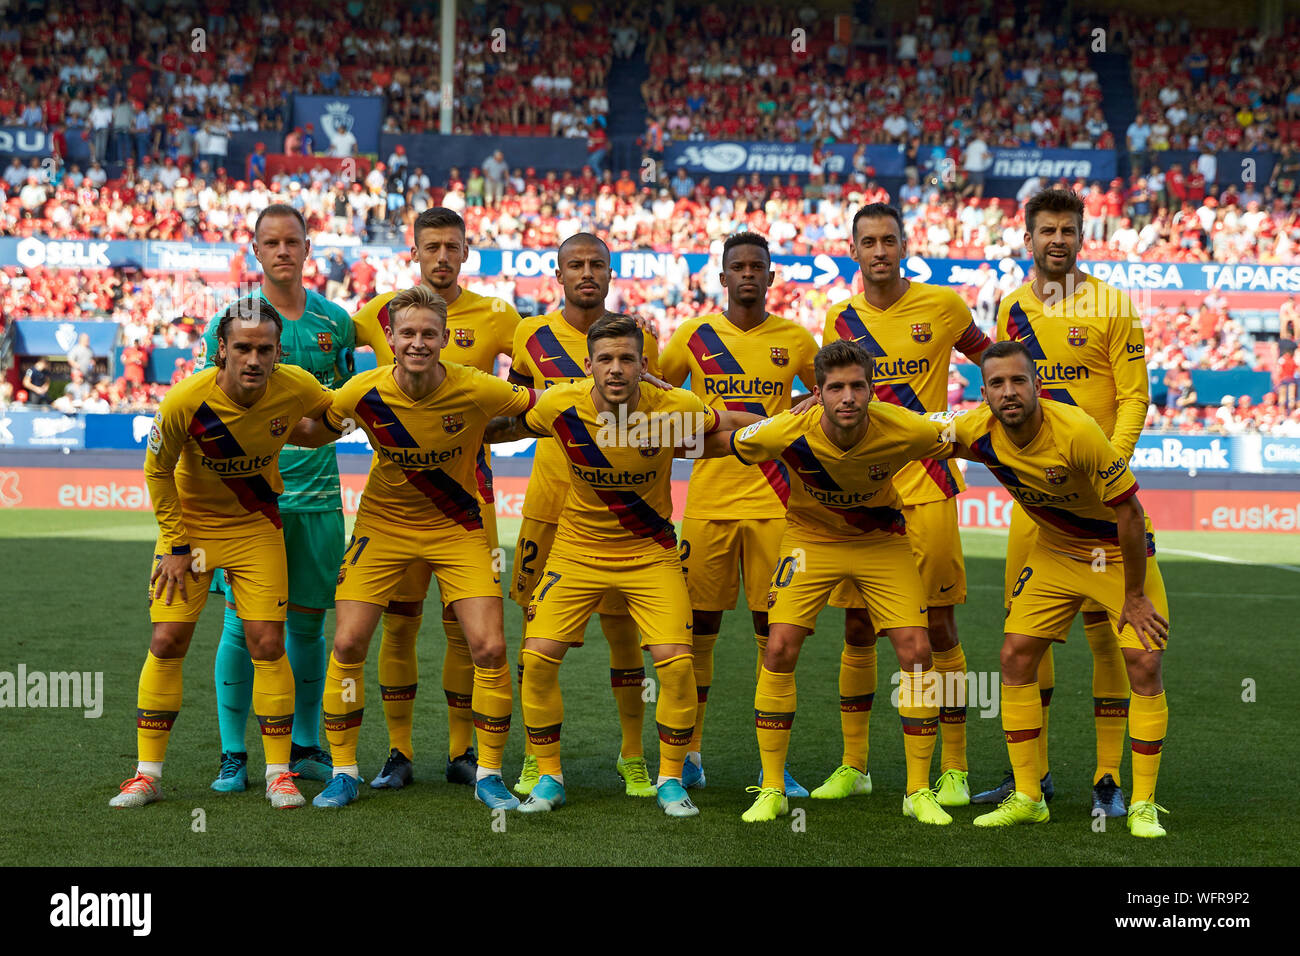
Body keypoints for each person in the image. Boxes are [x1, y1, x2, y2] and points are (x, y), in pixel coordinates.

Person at [488, 314, 757, 817]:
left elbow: (734, 426)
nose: (616, 369)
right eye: (605, 360)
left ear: (644, 366)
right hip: (575, 551)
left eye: (627, 359)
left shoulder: (675, 407)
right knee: (539, 659)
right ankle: (549, 777)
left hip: (649, 554)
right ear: (587, 365)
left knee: (677, 665)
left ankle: (670, 779)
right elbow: (502, 425)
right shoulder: (559, 403)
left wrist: (794, 424)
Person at [290, 285, 536, 810]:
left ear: (445, 338)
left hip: (458, 528)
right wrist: (264, 417)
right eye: (408, 333)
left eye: (429, 333)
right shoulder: (361, 390)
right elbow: (316, 431)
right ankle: (345, 771)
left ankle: (488, 774)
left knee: (489, 647)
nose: (418, 342)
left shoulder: (478, 387)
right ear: (391, 338)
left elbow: (535, 411)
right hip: (383, 527)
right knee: (349, 644)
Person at [706, 340, 955, 825]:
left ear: (871, 391)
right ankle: (772, 788)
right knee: (778, 647)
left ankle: (918, 789)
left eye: (857, 387)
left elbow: (971, 436)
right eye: (835, 387)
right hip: (807, 541)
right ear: (816, 393)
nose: (847, 397)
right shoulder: (785, 430)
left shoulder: (903, 427)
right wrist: (644, 427)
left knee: (918, 654)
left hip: (881, 541)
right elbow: (721, 440)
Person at [108, 296, 333, 809]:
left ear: (278, 353)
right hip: (190, 532)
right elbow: (156, 470)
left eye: (265, 349)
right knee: (167, 640)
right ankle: (146, 775)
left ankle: (279, 774)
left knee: (267, 643)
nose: (254, 359)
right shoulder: (184, 400)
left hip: (256, 527)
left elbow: (330, 416)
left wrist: (328, 428)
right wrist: (177, 544)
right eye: (243, 348)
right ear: (221, 352)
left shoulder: (296, 385)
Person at [976, 188, 1152, 819]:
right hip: (1036, 508)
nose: (1057, 239)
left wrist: (1115, 458)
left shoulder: (1113, 305)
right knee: (1026, 638)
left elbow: (1134, 395)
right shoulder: (1013, 307)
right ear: (1029, 239)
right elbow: (1002, 391)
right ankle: (1035, 779)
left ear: (1083, 236)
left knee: (1110, 638)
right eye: (1046, 229)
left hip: (1099, 495)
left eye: (1067, 229)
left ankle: (1107, 779)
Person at [951, 341, 1170, 837]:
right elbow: (915, 432)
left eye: (1018, 381)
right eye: (998, 384)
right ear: (983, 393)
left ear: (1037, 386)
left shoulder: (1076, 430)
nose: (1009, 392)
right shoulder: (974, 428)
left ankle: (1141, 804)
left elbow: (1129, 513)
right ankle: (1028, 795)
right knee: (1015, 657)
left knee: (1145, 660)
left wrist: (1134, 595)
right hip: (1055, 549)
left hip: (1113, 550)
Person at [819, 203, 991, 806]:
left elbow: (995, 363)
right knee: (859, 622)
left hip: (930, 483)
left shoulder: (944, 307)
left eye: (889, 240)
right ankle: (855, 765)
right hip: (865, 492)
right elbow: (833, 406)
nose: (880, 251)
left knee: (940, 626)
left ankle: (956, 770)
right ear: (854, 250)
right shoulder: (838, 320)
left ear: (904, 245)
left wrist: (966, 424)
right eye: (869, 242)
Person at [351, 208, 524, 790]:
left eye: (452, 246)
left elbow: (534, 390)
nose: (442, 256)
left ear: (466, 251)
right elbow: (323, 354)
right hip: (395, 495)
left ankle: (461, 754)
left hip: (466, 494)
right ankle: (398, 753)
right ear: (416, 251)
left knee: (464, 629)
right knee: (398, 624)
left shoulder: (499, 315)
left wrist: (482, 430)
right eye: (432, 246)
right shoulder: (380, 312)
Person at [197, 204, 357, 793]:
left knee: (310, 626)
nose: (283, 251)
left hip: (316, 497)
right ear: (256, 250)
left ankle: (306, 743)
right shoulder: (231, 320)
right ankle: (234, 753)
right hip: (248, 501)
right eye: (272, 242)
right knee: (243, 625)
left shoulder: (335, 322)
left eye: (293, 241)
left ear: (308, 248)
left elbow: (337, 408)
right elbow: (202, 407)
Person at [658, 232, 818, 794]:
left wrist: (795, 415)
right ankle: (691, 753)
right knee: (699, 629)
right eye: (738, 267)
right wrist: (700, 426)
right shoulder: (694, 335)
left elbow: (834, 398)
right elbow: (655, 392)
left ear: (771, 277)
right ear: (721, 278)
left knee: (774, 633)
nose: (748, 274)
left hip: (777, 504)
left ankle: (773, 766)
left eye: (758, 266)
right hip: (707, 505)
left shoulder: (795, 339)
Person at [503, 234, 657, 798]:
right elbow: (518, 410)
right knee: (535, 636)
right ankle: (536, 759)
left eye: (596, 264)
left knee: (625, 633)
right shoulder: (530, 335)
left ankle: (634, 755)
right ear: (559, 273)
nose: (586, 273)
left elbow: (656, 413)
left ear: (611, 272)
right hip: (548, 504)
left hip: (617, 512)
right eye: (576, 265)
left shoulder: (639, 339)